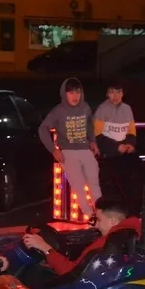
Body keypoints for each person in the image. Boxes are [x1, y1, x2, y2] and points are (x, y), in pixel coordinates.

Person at [22, 198, 141, 277]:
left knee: (32, 274)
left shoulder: (106, 243)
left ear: (113, 221)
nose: (96, 225)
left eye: (99, 220)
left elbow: (69, 273)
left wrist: (45, 248)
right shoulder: (131, 234)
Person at [40, 78, 100, 220]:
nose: (75, 96)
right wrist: (54, 150)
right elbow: (42, 128)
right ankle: (89, 215)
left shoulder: (85, 107)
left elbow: (89, 125)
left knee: (94, 183)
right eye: (71, 93)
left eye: (77, 92)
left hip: (85, 149)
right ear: (65, 94)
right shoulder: (58, 111)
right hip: (67, 151)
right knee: (78, 184)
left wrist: (92, 141)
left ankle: (101, 213)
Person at [94, 80, 143, 216]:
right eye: (111, 92)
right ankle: (125, 215)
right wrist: (116, 147)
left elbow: (131, 131)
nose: (115, 96)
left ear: (123, 94)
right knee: (121, 185)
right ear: (106, 94)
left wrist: (130, 145)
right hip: (110, 155)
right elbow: (98, 135)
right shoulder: (102, 110)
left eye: (118, 92)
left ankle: (136, 213)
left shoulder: (127, 109)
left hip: (125, 153)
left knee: (140, 176)